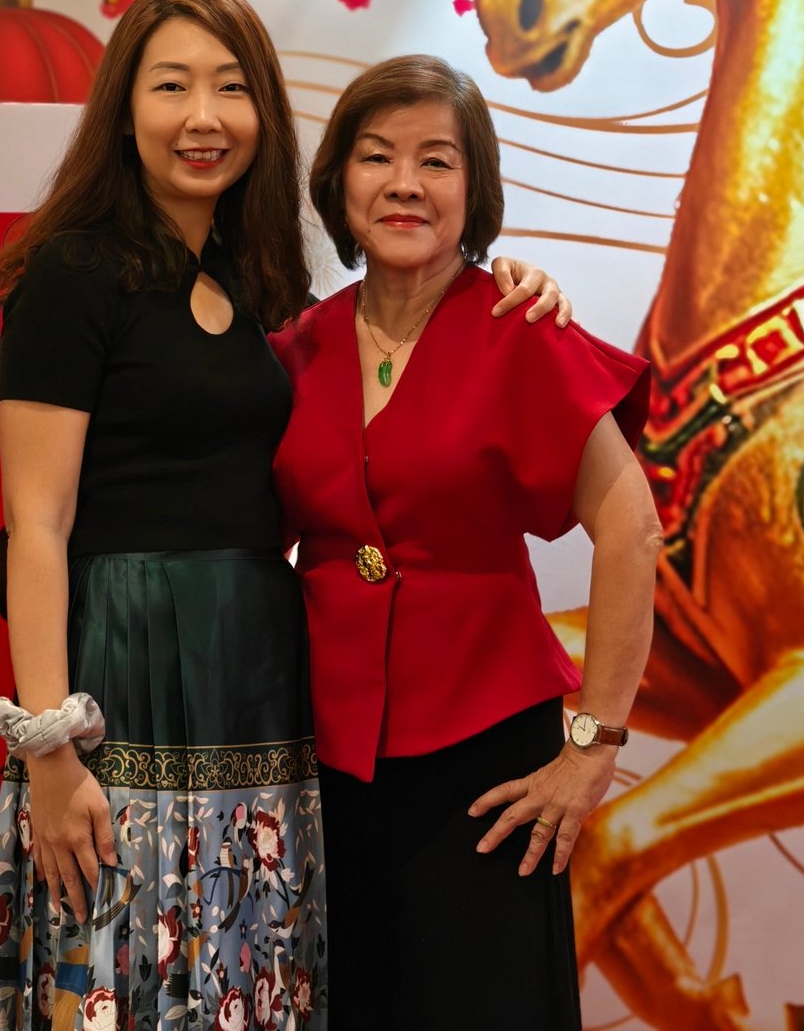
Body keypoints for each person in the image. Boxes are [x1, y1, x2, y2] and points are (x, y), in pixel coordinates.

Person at [0, 0, 568, 1029]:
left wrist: (499, 275)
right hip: (124, 679)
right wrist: (50, 748)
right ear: (124, 108)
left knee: (243, 974)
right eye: (171, 86)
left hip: (257, 685)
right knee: (120, 964)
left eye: (232, 88)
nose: (203, 117)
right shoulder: (72, 271)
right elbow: (37, 526)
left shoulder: (255, 283)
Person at [270, 54, 663, 1030]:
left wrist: (593, 747)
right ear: (338, 182)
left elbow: (632, 529)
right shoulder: (294, 348)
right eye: (376, 156)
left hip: (491, 770)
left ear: (473, 187)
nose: (404, 183)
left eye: (436, 160)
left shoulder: (520, 329)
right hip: (325, 765)